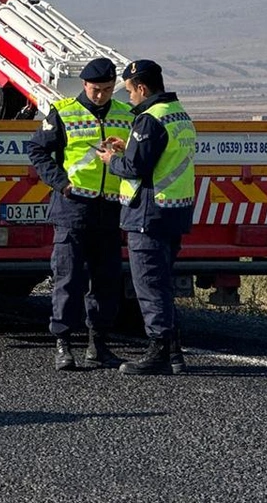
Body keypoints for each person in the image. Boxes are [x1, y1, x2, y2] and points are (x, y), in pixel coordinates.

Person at [27, 58, 133, 371]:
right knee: (68, 278)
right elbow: (37, 150)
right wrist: (60, 184)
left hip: (110, 208)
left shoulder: (126, 115)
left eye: (107, 90)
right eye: (95, 89)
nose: (100, 95)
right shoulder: (64, 110)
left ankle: (98, 346)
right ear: (84, 85)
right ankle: (63, 343)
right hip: (73, 208)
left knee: (106, 281)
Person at [98, 60, 196, 375]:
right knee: (163, 283)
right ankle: (175, 353)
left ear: (141, 88)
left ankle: (158, 353)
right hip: (174, 211)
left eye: (129, 92)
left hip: (148, 214)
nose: (129, 99)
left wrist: (112, 160)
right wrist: (129, 148)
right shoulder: (179, 114)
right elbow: (160, 158)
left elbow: (136, 168)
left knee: (150, 285)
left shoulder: (149, 120)